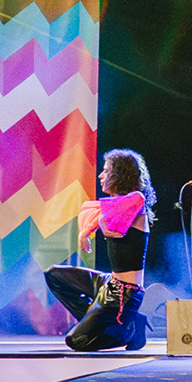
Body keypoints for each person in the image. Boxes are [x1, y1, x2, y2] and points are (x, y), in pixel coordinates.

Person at [43, 148, 154, 352]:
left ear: (119, 175)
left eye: (106, 171)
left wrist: (97, 222)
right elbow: (93, 211)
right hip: (108, 283)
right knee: (54, 274)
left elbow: (110, 215)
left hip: (124, 294)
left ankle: (128, 330)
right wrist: (85, 231)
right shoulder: (115, 207)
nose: (101, 176)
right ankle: (114, 320)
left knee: (76, 341)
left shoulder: (136, 203)